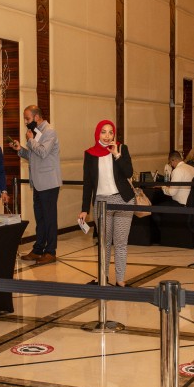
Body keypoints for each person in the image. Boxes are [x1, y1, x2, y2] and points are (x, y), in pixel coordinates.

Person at [78, 120, 135, 286]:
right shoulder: (90, 154)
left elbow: (129, 172)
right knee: (104, 243)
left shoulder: (121, 148)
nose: (107, 136)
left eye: (111, 132)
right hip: (102, 202)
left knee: (121, 243)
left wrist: (116, 155)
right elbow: (88, 183)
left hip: (123, 200)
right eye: (103, 132)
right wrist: (84, 209)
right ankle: (102, 277)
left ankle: (120, 280)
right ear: (97, 133)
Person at [11, 105, 61, 265]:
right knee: (40, 219)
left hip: (49, 183)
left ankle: (50, 251)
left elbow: (43, 152)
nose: (25, 122)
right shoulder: (35, 133)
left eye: (27, 118)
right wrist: (20, 149)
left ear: (37, 117)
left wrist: (30, 140)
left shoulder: (49, 131)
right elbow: (33, 155)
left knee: (49, 219)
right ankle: (38, 249)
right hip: (38, 182)